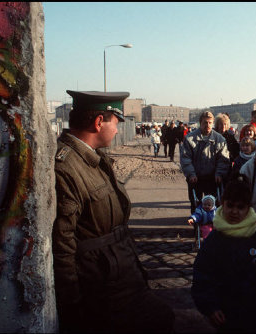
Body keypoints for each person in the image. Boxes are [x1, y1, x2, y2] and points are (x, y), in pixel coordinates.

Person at [53, 90, 174, 333]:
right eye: (116, 122)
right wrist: (72, 305)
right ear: (99, 122)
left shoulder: (92, 157)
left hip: (118, 270)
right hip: (101, 282)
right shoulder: (66, 166)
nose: (118, 130)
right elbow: (63, 244)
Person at [191, 174, 256, 333]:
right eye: (230, 205)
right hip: (223, 311)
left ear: (248, 208)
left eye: (240, 207)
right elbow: (202, 275)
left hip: (252, 309)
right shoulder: (215, 239)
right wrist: (209, 307)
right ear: (222, 205)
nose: (234, 211)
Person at [180, 111, 230, 214]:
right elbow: (186, 159)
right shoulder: (189, 139)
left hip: (212, 178)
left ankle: (212, 226)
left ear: (213, 123)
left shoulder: (220, 139)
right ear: (200, 123)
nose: (207, 125)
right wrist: (191, 174)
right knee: (195, 204)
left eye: (210, 122)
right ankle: (196, 225)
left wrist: (219, 173)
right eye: (205, 122)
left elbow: (223, 159)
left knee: (213, 205)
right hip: (195, 178)